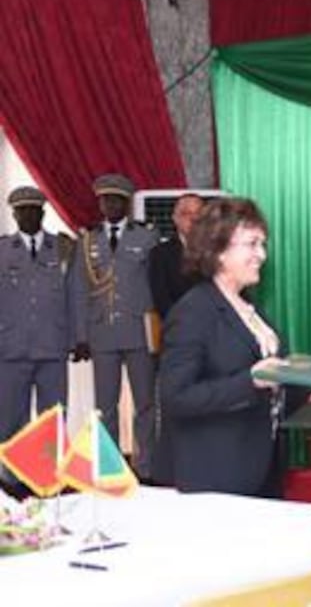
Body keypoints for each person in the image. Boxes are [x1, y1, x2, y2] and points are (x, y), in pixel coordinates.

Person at [159, 197, 296, 496]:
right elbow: (176, 397)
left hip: (260, 467)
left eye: (263, 244)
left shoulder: (250, 309)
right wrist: (250, 381)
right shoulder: (193, 312)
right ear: (219, 250)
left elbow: (271, 385)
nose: (262, 254)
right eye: (252, 243)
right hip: (215, 475)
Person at [70, 173, 160, 481]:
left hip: (138, 332)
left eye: (116, 200)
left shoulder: (146, 236)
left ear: (126, 203)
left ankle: (146, 466)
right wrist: (80, 336)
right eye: (105, 200)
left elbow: (155, 285)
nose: (110, 205)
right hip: (102, 333)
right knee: (104, 406)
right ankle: (107, 469)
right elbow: (79, 290)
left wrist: (158, 333)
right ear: (100, 204)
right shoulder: (87, 241)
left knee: (146, 403)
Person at [0, 187, 74, 498]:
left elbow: (75, 296)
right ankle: (10, 479)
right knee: (10, 416)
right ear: (14, 215)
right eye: (21, 211)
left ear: (43, 214)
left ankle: (50, 477)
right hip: (10, 346)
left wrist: (77, 337)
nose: (27, 216)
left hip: (52, 345)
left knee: (53, 416)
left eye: (33, 210)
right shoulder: (3, 250)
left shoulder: (63, 248)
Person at [147, 192, 206, 486]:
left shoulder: (216, 252)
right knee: (174, 408)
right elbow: (160, 298)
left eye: (198, 213)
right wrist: (188, 328)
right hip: (177, 342)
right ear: (174, 218)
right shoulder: (160, 254)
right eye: (186, 213)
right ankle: (170, 474)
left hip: (213, 345)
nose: (193, 219)